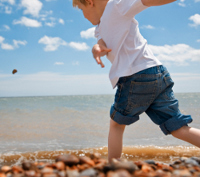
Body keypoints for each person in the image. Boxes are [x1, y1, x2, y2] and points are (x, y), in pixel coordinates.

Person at [72, 0, 200, 162]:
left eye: (81, 10)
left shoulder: (116, 7)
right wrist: (97, 49)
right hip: (157, 73)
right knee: (177, 127)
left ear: (90, 2)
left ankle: (113, 165)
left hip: (135, 77)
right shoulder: (99, 28)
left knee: (116, 125)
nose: (83, 16)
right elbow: (101, 42)